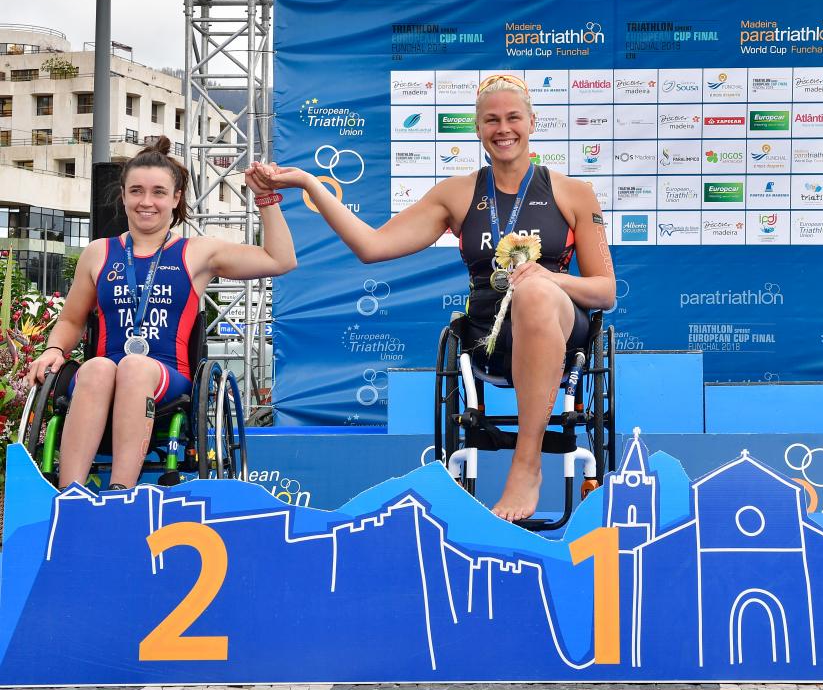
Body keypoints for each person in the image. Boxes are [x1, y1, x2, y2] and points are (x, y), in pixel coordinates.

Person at [253, 74, 616, 521]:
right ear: (478, 128)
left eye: (513, 117)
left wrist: (544, 278)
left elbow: (605, 292)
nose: (503, 129)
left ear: (532, 122)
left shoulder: (573, 193)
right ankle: (524, 459)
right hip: (491, 338)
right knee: (531, 292)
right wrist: (311, 184)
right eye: (491, 120)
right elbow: (372, 247)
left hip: (559, 327)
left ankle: (527, 464)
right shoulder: (458, 194)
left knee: (537, 292)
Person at [24, 136, 297, 490]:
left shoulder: (196, 252)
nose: (146, 201)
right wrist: (53, 350)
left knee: (134, 367)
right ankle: (69, 493)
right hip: (102, 376)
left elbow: (281, 260)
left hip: (167, 378)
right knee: (99, 366)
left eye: (158, 192)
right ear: (123, 196)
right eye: (136, 191)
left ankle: (122, 492)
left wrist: (265, 198)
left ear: (175, 198)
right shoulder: (98, 253)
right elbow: (72, 320)